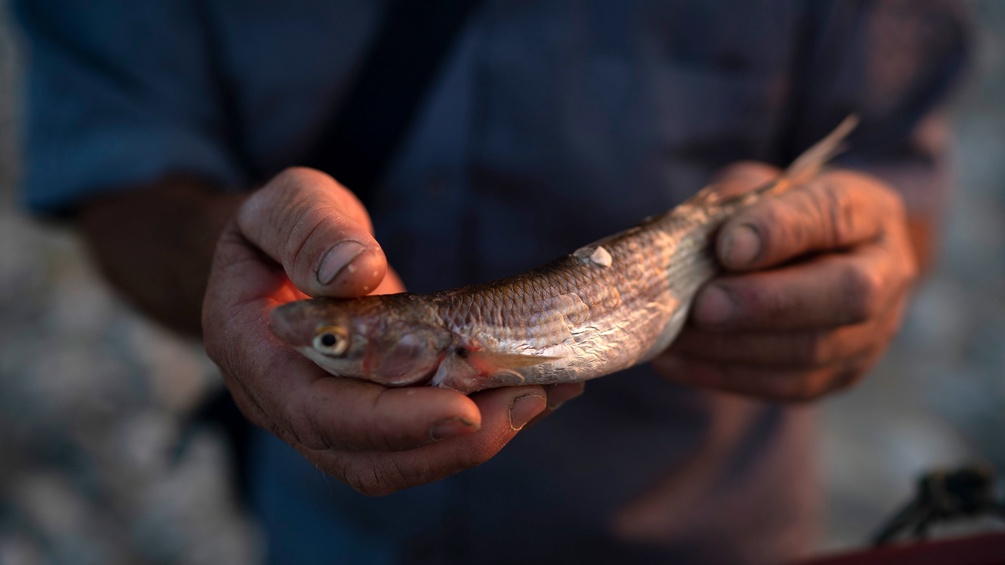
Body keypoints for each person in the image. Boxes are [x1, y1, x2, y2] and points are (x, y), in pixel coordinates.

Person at [14, 1, 970, 563]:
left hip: (714, 529)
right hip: (335, 533)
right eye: (333, 342)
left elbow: (898, 167)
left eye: (340, 338)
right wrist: (227, 271)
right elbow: (119, 160)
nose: (320, 339)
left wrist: (865, 257)